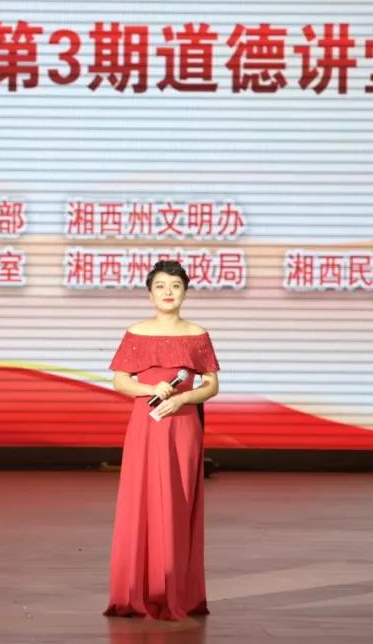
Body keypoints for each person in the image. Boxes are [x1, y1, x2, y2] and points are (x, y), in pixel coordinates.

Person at [104, 260, 220, 621]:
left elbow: (211, 386)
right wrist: (150, 388)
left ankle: (176, 590)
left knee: (178, 502)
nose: (168, 292)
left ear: (185, 291)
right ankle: (138, 590)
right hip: (146, 424)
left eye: (175, 286)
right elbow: (120, 381)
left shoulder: (198, 334)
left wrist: (183, 398)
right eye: (161, 286)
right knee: (142, 499)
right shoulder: (136, 332)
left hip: (183, 425)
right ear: (149, 293)